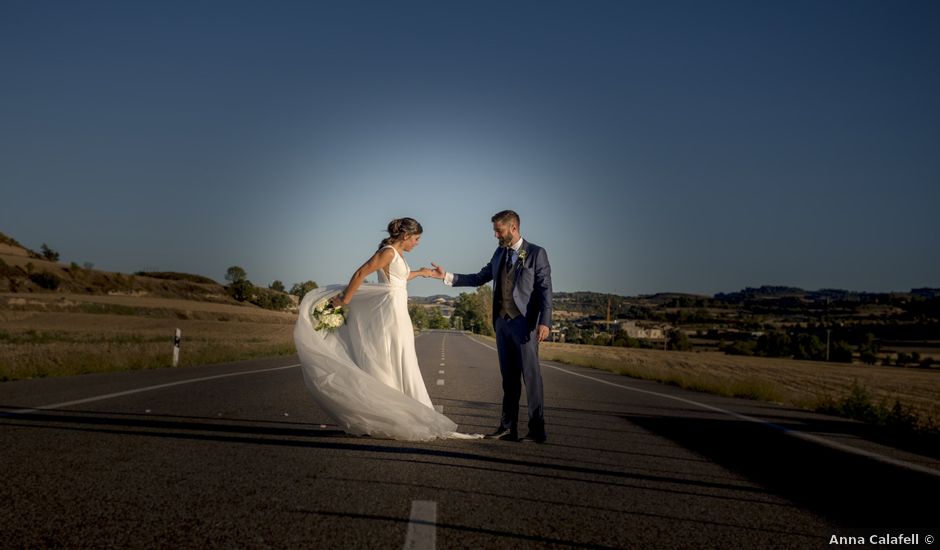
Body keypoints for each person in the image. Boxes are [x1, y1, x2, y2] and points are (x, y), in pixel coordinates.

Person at [293, 218, 480, 441]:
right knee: (393, 357)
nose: (418, 243)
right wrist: (345, 299)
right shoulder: (388, 252)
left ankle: (404, 413)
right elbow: (361, 273)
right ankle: (391, 415)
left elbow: (399, 279)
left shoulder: (398, 255)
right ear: (406, 236)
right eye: (417, 239)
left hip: (399, 313)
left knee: (401, 358)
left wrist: (421, 272)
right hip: (389, 314)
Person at [430, 210, 552, 443]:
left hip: (525, 324)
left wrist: (545, 321)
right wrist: (446, 276)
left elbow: (545, 288)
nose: (496, 234)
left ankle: (537, 429)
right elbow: (479, 277)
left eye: (499, 230)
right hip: (502, 324)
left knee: (531, 377)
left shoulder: (536, 253)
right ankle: (508, 428)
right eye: (495, 230)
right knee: (509, 379)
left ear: (513, 228)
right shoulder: (499, 252)